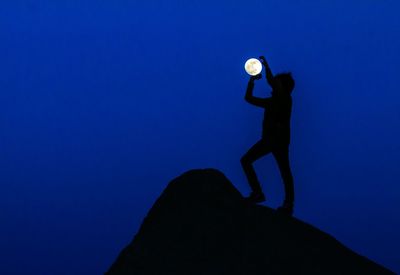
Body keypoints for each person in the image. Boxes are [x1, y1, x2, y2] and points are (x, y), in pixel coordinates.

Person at [240, 56, 295, 215]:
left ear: (282, 87)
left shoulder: (285, 99)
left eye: (277, 83)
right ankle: (259, 194)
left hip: (278, 140)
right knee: (247, 161)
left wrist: (266, 66)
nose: (272, 85)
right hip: (270, 140)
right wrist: (252, 81)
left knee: (284, 171)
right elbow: (248, 98)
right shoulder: (271, 101)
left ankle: (286, 203)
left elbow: (272, 81)